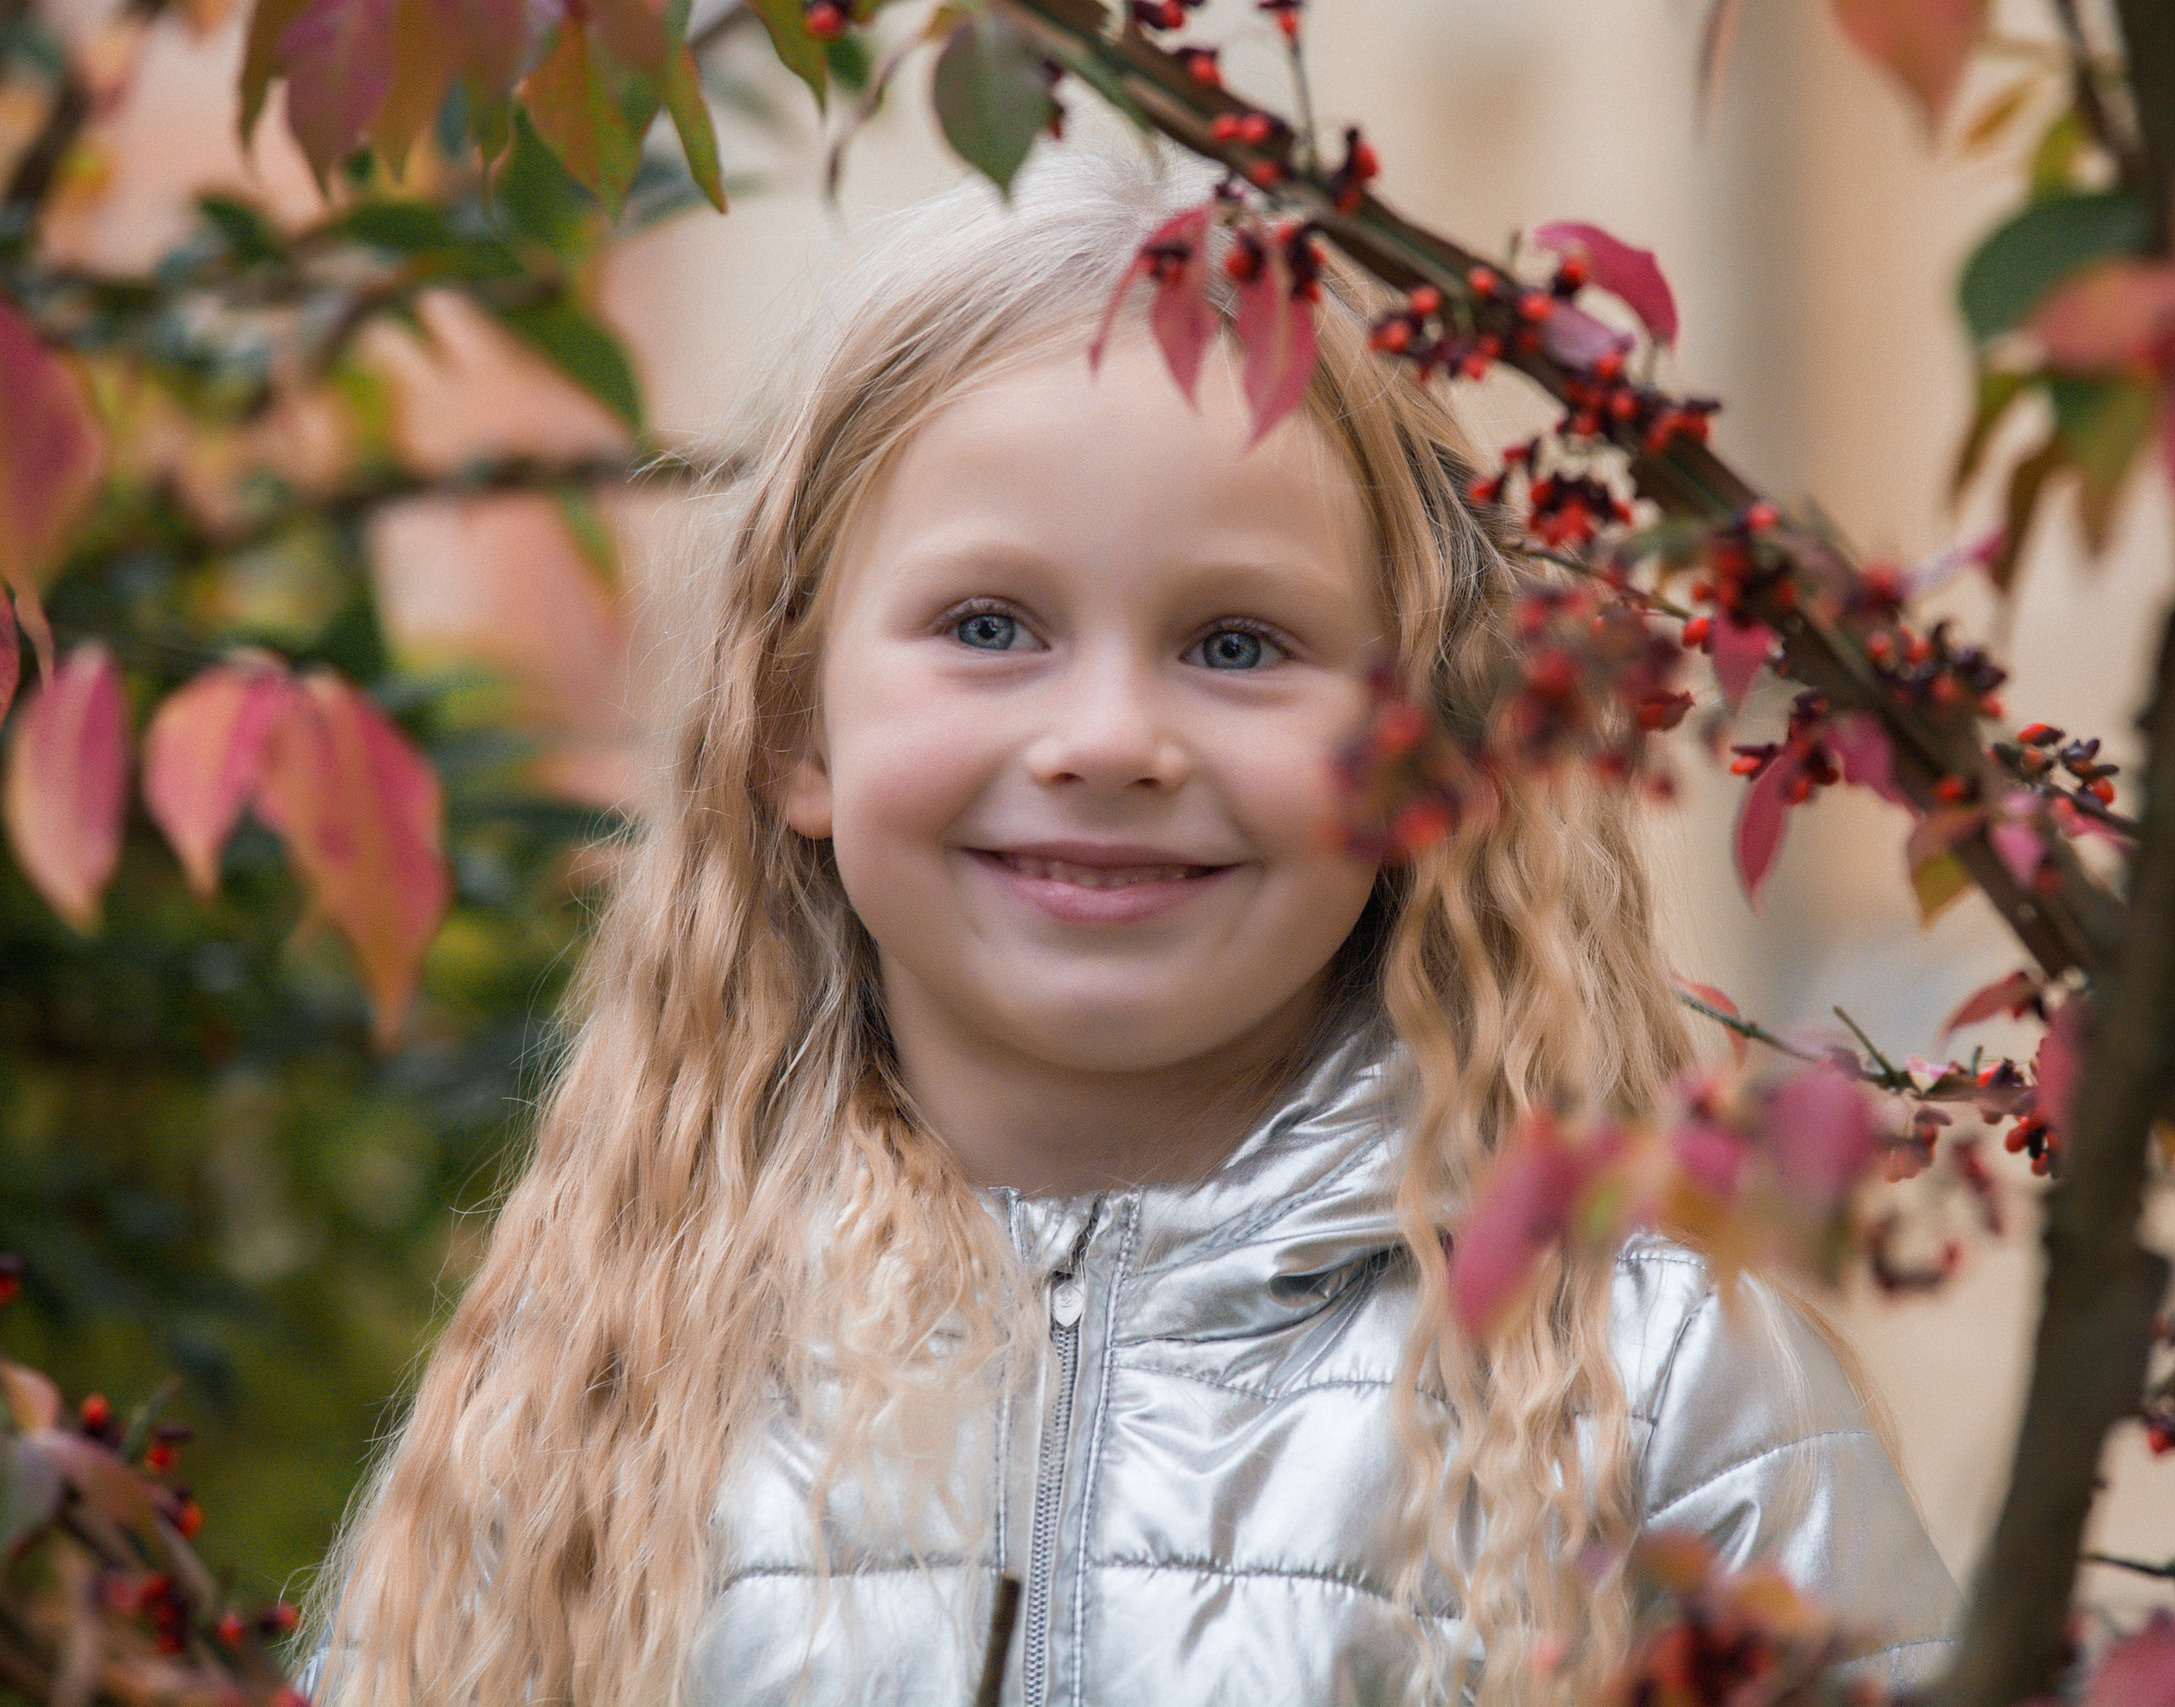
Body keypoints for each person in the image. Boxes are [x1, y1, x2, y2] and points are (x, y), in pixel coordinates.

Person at [302, 153, 1956, 1707]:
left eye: (1238, 646)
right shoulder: (612, 1366)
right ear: (793, 725)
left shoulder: (1656, 1383)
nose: (1107, 738)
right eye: (990, 625)